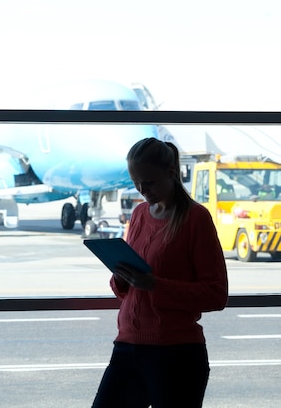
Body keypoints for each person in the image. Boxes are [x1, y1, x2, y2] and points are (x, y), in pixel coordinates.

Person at [92, 138, 228, 408]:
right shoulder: (140, 213)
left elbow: (216, 294)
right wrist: (121, 276)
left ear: (171, 173)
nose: (143, 190)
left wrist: (154, 284)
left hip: (175, 353)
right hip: (128, 345)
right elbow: (127, 292)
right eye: (136, 183)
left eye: (150, 182)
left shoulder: (195, 218)